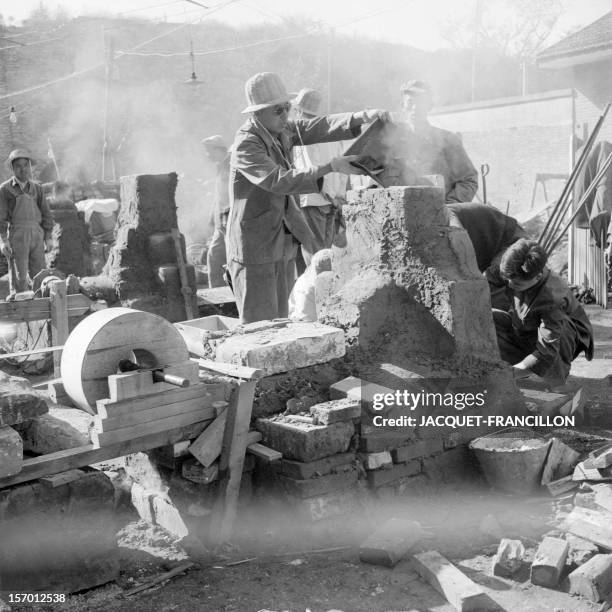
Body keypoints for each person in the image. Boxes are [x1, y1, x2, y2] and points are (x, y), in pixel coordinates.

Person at [227, 71, 387, 324]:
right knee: (259, 325)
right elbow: (279, 181)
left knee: (280, 319)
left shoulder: (282, 130)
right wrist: (330, 167)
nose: (285, 115)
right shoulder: (247, 144)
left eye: (287, 108)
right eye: (277, 110)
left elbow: (319, 126)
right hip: (254, 247)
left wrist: (361, 117)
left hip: (280, 239)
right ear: (256, 113)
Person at [492, 239, 593, 387]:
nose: (510, 285)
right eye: (508, 280)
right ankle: (517, 367)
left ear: (537, 277)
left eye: (517, 284)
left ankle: (555, 384)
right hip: (526, 328)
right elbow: (486, 281)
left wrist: (509, 374)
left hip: (559, 338)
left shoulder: (552, 299)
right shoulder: (512, 268)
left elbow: (547, 351)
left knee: (561, 333)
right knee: (489, 317)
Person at [292, 88, 349, 267]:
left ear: (299, 110)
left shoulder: (303, 134)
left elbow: (309, 167)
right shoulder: (330, 132)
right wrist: (338, 196)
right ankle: (325, 289)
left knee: (315, 255)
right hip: (331, 200)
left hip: (313, 198)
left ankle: (316, 291)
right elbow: (342, 166)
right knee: (326, 252)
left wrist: (327, 193)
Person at [399, 80, 478, 203]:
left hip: (440, 216)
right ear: (402, 106)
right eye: (410, 103)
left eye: (420, 103)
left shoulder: (448, 140)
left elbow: (469, 180)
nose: (415, 108)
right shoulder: (391, 144)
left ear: (429, 106)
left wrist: (448, 206)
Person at [447, 202, 527, 309]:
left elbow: (463, 259)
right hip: (488, 248)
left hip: (510, 239)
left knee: (490, 288)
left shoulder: (447, 220)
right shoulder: (434, 220)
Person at [0, 149, 54, 297]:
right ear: (12, 168)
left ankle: (40, 311)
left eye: (26, 165)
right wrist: (3, 241)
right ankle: (21, 313)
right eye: (18, 166)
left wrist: (48, 237)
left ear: (30, 167)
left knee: (40, 274)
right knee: (20, 276)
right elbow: (1, 218)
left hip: (37, 234)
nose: (23, 169)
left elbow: (46, 214)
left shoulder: (37, 188)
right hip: (18, 236)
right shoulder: (5, 189)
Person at [202, 135, 230, 288]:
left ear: (218, 149)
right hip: (221, 221)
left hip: (231, 219)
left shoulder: (231, 164)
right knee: (214, 256)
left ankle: (231, 293)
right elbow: (218, 195)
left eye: (209, 150)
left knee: (232, 259)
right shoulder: (220, 167)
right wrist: (212, 217)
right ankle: (217, 292)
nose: (207, 155)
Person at [288, 248, 333, 322]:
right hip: (303, 324)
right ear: (317, 269)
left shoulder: (313, 274)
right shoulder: (306, 290)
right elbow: (307, 322)